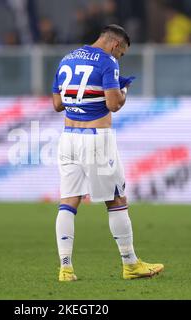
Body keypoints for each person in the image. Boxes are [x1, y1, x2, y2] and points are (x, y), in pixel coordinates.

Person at [52, 24, 164, 281]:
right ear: (115, 45)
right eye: (121, 54)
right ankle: (131, 264)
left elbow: (57, 104)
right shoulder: (108, 62)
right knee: (116, 201)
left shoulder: (67, 58)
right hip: (96, 140)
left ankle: (66, 268)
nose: (119, 58)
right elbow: (113, 104)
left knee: (68, 202)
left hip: (68, 138)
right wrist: (123, 91)